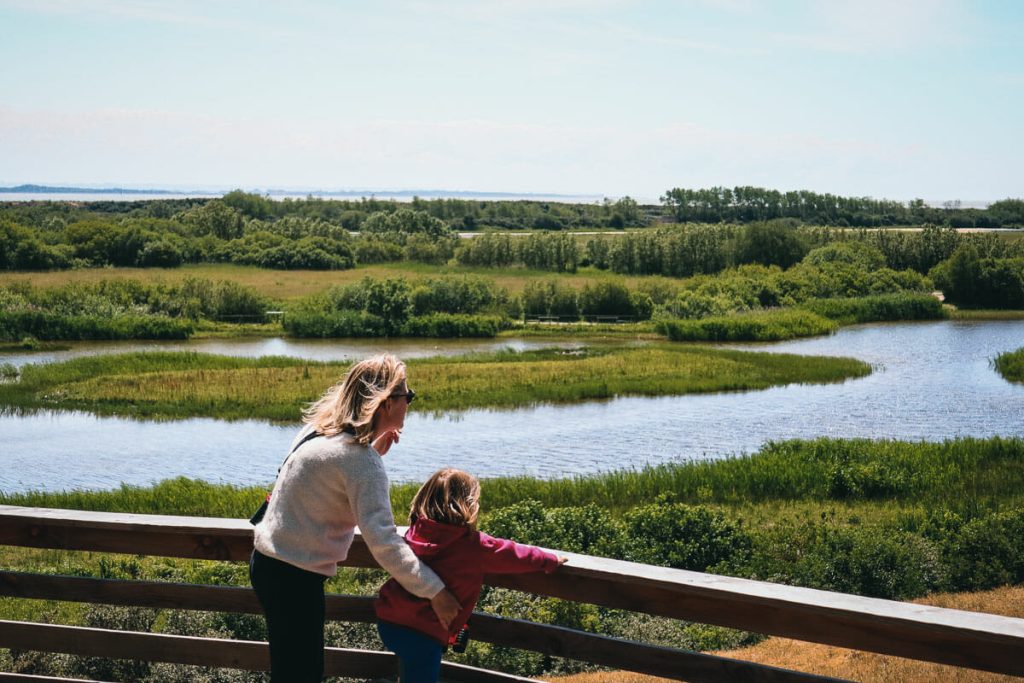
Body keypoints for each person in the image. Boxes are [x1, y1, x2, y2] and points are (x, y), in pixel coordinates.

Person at [250, 353, 461, 682]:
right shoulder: (360, 462)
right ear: (386, 403)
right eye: (407, 396)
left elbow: (326, 479)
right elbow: (385, 542)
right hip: (294, 576)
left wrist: (372, 450)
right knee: (301, 675)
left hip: (268, 563)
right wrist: (435, 591)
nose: (409, 403)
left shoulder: (318, 431)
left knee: (291, 670)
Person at [375, 467, 566, 683]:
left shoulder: (414, 533)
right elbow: (514, 555)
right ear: (469, 503)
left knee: (411, 670)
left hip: (390, 622)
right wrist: (549, 560)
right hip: (425, 634)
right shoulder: (474, 545)